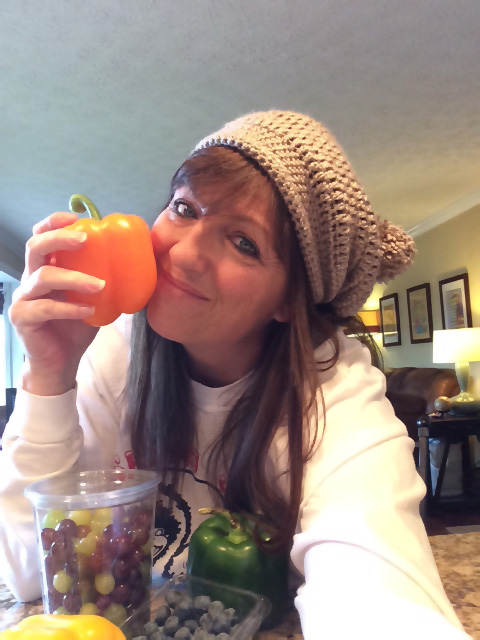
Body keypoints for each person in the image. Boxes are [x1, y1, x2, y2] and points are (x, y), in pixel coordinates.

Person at [0, 111, 470, 639]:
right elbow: (29, 571)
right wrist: (50, 374)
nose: (182, 253)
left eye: (244, 242)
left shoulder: (335, 391)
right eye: (184, 208)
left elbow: (376, 596)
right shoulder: (112, 347)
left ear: (288, 301)